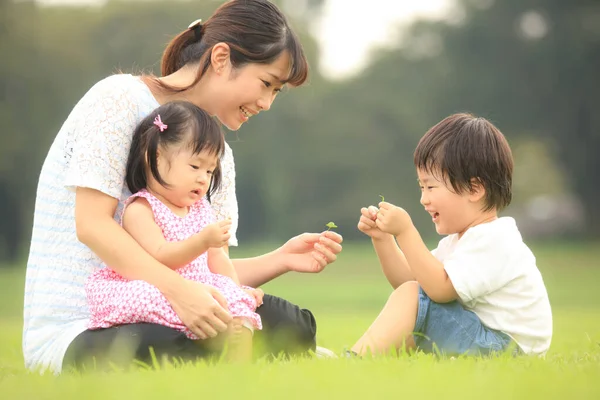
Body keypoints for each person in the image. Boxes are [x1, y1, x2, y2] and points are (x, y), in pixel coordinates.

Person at [23, 0, 343, 374]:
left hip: (175, 309)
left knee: (292, 324)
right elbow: (92, 225)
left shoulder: (217, 158)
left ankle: (256, 351)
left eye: (277, 92)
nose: (267, 103)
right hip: (87, 324)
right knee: (162, 346)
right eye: (266, 84)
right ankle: (253, 355)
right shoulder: (118, 100)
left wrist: (281, 259)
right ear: (221, 58)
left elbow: (202, 270)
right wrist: (179, 294)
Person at [350, 113, 552, 357]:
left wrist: (405, 231)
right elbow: (411, 284)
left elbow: (438, 290)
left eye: (431, 187)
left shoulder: (495, 239)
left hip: (505, 349)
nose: (424, 199)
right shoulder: (459, 241)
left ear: (474, 189)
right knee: (412, 297)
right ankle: (360, 357)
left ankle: (353, 361)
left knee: (414, 300)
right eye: (421, 187)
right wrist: (383, 238)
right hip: (486, 339)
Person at [85, 101, 264, 363]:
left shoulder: (202, 210)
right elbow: (161, 256)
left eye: (209, 170)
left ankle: (236, 348)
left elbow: (219, 261)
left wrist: (236, 290)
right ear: (154, 158)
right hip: (162, 287)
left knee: (236, 298)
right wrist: (202, 241)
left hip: (202, 287)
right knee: (144, 296)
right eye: (195, 167)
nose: (203, 178)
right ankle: (204, 339)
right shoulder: (141, 208)